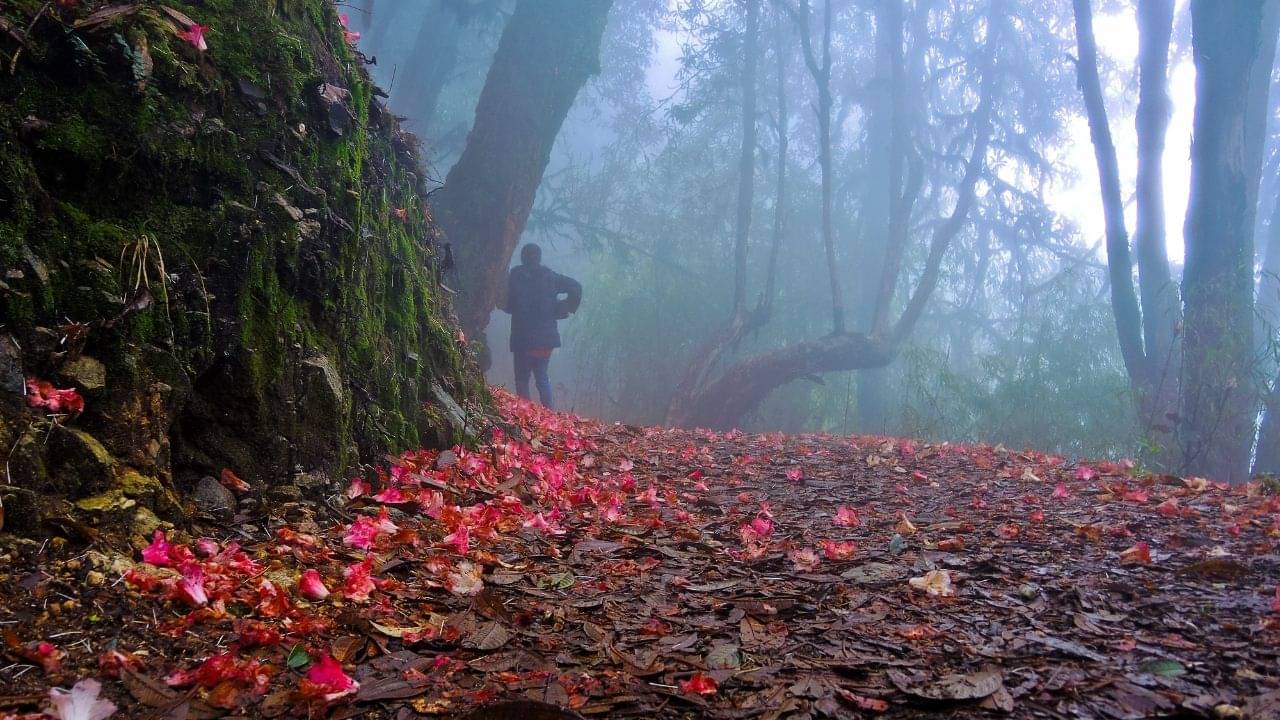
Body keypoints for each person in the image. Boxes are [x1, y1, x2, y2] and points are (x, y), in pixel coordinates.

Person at [499, 244, 581, 409]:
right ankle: (549, 415)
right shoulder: (550, 276)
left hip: (523, 339)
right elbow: (576, 287)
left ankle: (526, 415)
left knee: (522, 380)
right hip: (546, 340)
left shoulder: (515, 276)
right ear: (539, 257)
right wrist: (565, 308)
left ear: (522, 257)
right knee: (542, 378)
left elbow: (507, 306)